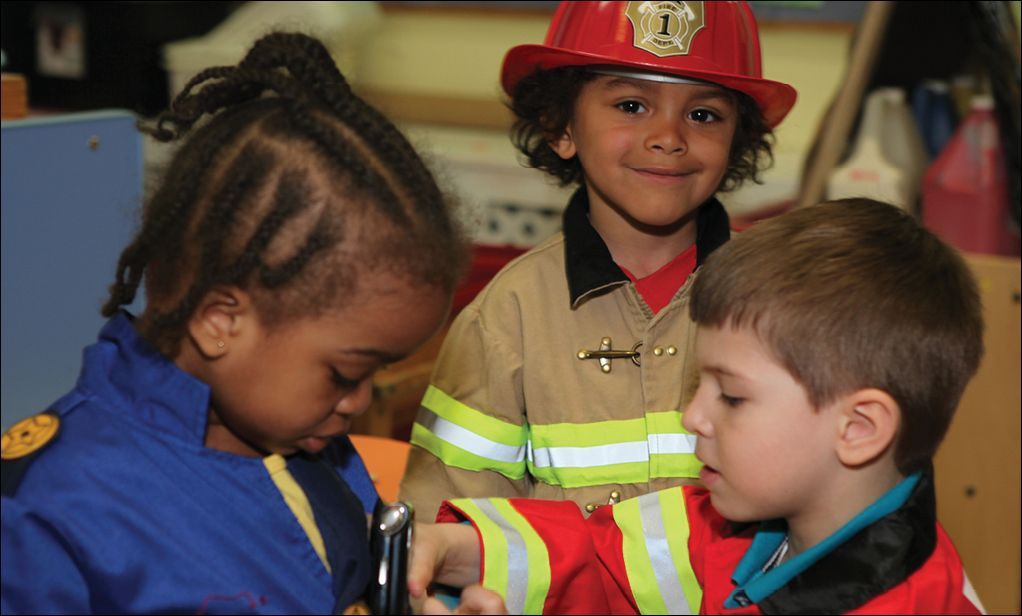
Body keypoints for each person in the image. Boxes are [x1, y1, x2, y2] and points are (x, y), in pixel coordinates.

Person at [0, 31, 468, 615]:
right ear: (220, 320)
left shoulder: (310, 445)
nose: (358, 401)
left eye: (376, 372)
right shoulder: (45, 513)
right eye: (346, 371)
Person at [410, 199, 987, 615]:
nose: (693, 417)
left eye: (730, 396)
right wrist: (457, 551)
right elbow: (603, 553)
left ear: (858, 429)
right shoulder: (741, 522)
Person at [400, 0, 798, 521]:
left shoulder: (786, 299)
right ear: (561, 127)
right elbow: (446, 525)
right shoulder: (505, 319)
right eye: (632, 105)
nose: (669, 138)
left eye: (703, 115)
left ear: (736, 140)